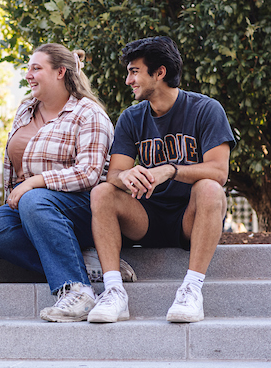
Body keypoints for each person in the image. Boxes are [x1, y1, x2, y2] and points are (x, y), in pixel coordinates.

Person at [87, 36, 235, 324]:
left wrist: (170, 169)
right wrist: (126, 174)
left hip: (190, 219)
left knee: (209, 188)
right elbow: (113, 174)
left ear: (160, 72)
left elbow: (219, 172)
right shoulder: (131, 118)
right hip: (146, 217)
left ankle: (192, 290)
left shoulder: (205, 109)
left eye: (134, 71)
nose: (129, 80)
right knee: (102, 193)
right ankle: (114, 292)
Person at [0, 43, 115, 323]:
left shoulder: (88, 114)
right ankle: (85, 265)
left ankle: (78, 290)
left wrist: (35, 183)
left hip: (82, 208)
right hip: (34, 210)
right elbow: (12, 163)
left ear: (60, 72)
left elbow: (89, 173)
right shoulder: (26, 110)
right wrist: (16, 193)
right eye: (28, 68)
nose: (28, 75)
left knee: (34, 199)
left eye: (36, 68)